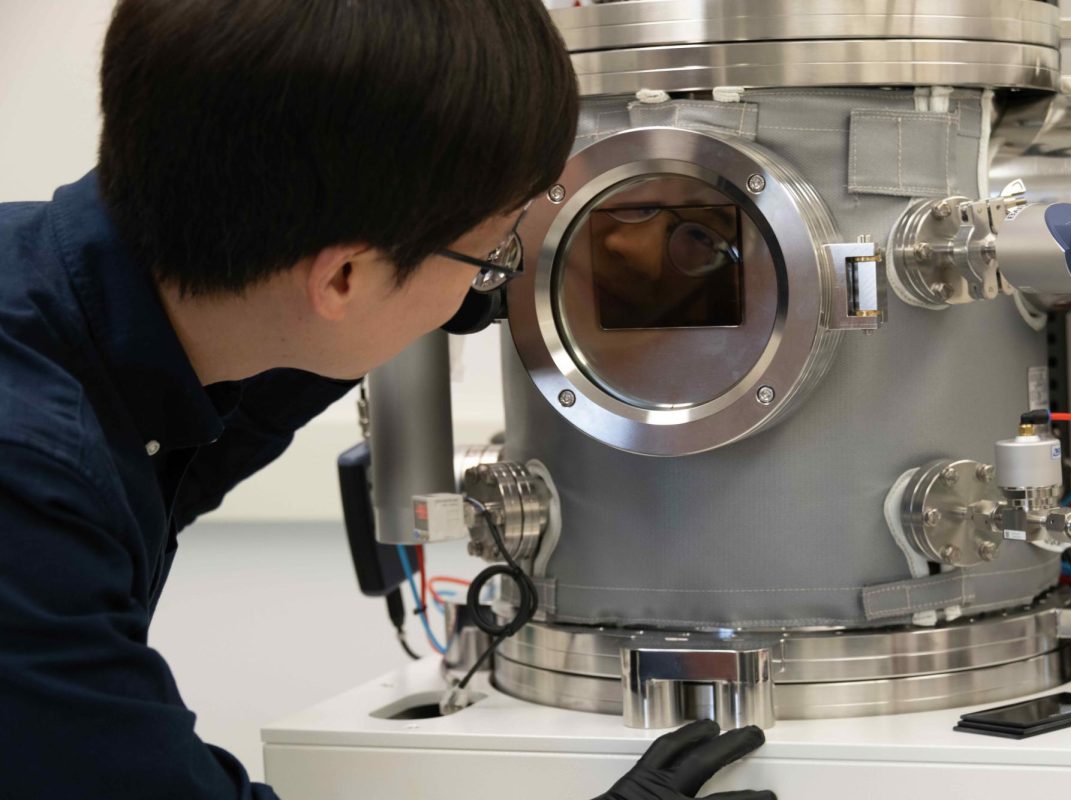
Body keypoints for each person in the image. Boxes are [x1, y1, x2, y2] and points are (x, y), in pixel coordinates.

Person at [0, 1, 775, 798]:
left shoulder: (108, 306)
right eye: (495, 247)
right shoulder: (29, 482)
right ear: (343, 277)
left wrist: (480, 272)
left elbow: (267, 370)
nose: (500, 273)